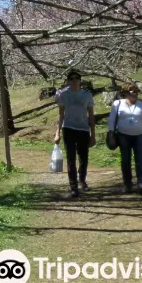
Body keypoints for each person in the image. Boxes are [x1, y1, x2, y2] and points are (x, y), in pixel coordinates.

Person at [53, 70, 96, 198]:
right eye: (71, 79)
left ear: (80, 80)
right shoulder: (64, 95)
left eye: (77, 78)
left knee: (84, 158)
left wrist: (93, 134)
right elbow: (61, 115)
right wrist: (57, 133)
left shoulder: (86, 95)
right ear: (68, 81)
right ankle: (73, 186)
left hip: (83, 129)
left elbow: (91, 115)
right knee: (71, 158)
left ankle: (82, 180)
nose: (74, 80)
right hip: (69, 129)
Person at [109, 83, 142, 194]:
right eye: (134, 92)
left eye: (137, 92)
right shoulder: (117, 104)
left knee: (140, 160)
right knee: (126, 160)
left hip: (140, 135)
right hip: (123, 136)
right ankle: (127, 184)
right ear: (126, 93)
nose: (136, 94)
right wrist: (111, 134)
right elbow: (112, 120)